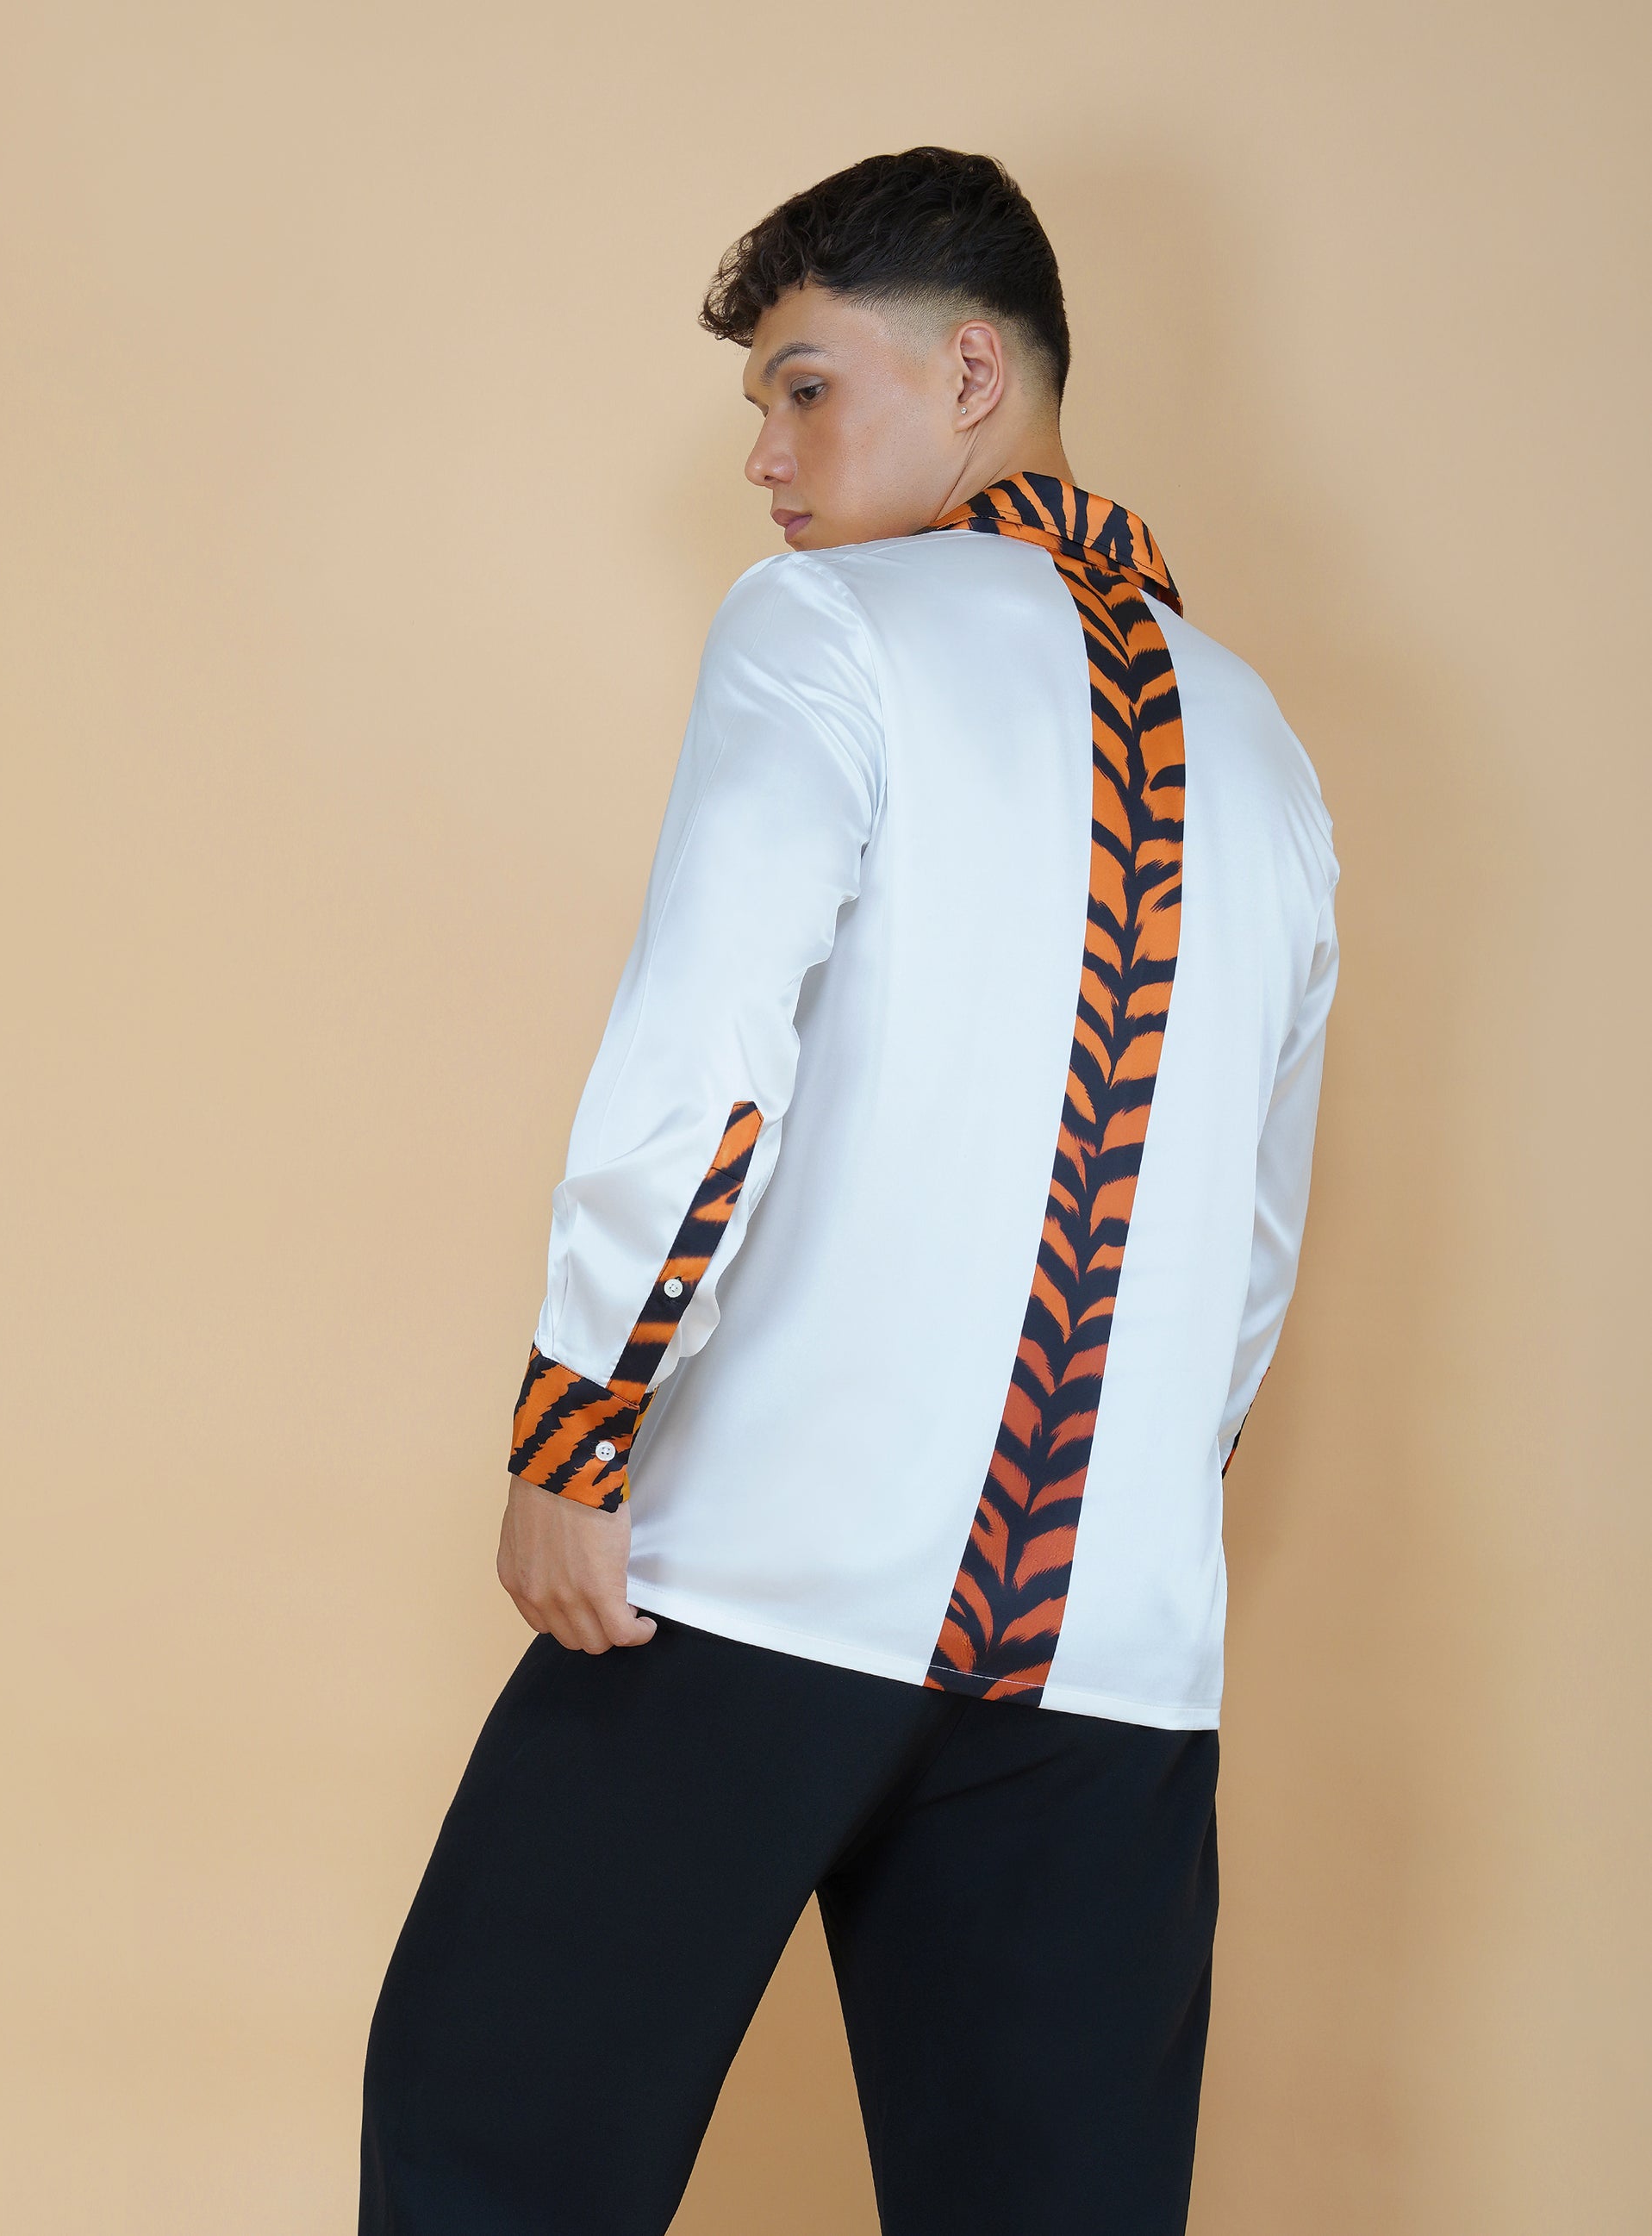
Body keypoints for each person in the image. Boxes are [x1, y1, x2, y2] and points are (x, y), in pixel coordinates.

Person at [358, 145, 1340, 2236]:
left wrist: (579, 1424)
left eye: (805, 388)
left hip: (754, 1586)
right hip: (1114, 1668)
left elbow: (706, 1064)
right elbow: (1254, 1233)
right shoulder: (1266, 743)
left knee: (487, 2156)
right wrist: (1133, 1505)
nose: (764, 458)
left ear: (973, 371)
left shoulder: (825, 628)